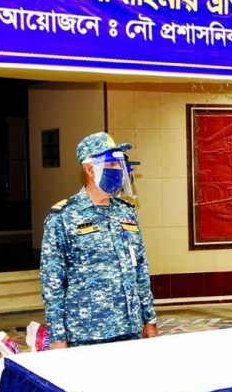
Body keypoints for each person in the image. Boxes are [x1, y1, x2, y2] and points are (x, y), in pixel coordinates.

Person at [40, 132, 158, 348]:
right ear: (89, 168)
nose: (118, 171)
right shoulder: (63, 216)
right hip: (87, 333)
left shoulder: (126, 213)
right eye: (111, 164)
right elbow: (52, 282)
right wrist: (58, 337)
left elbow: (140, 268)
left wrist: (149, 319)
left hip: (130, 330)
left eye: (119, 165)